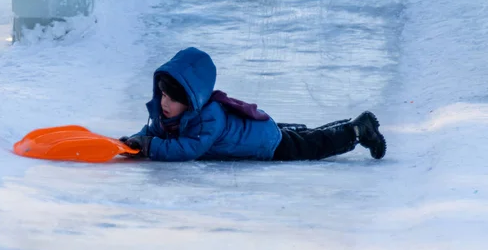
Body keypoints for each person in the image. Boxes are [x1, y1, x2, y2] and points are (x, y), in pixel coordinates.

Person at [121, 47, 386, 162]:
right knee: (304, 136)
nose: (164, 103)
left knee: (310, 146)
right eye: (163, 95)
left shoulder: (209, 118)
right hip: (256, 131)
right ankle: (349, 125)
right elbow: (155, 132)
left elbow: (188, 148)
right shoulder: (169, 113)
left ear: (191, 100)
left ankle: (358, 130)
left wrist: (149, 147)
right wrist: (136, 140)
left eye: (173, 98)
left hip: (264, 143)